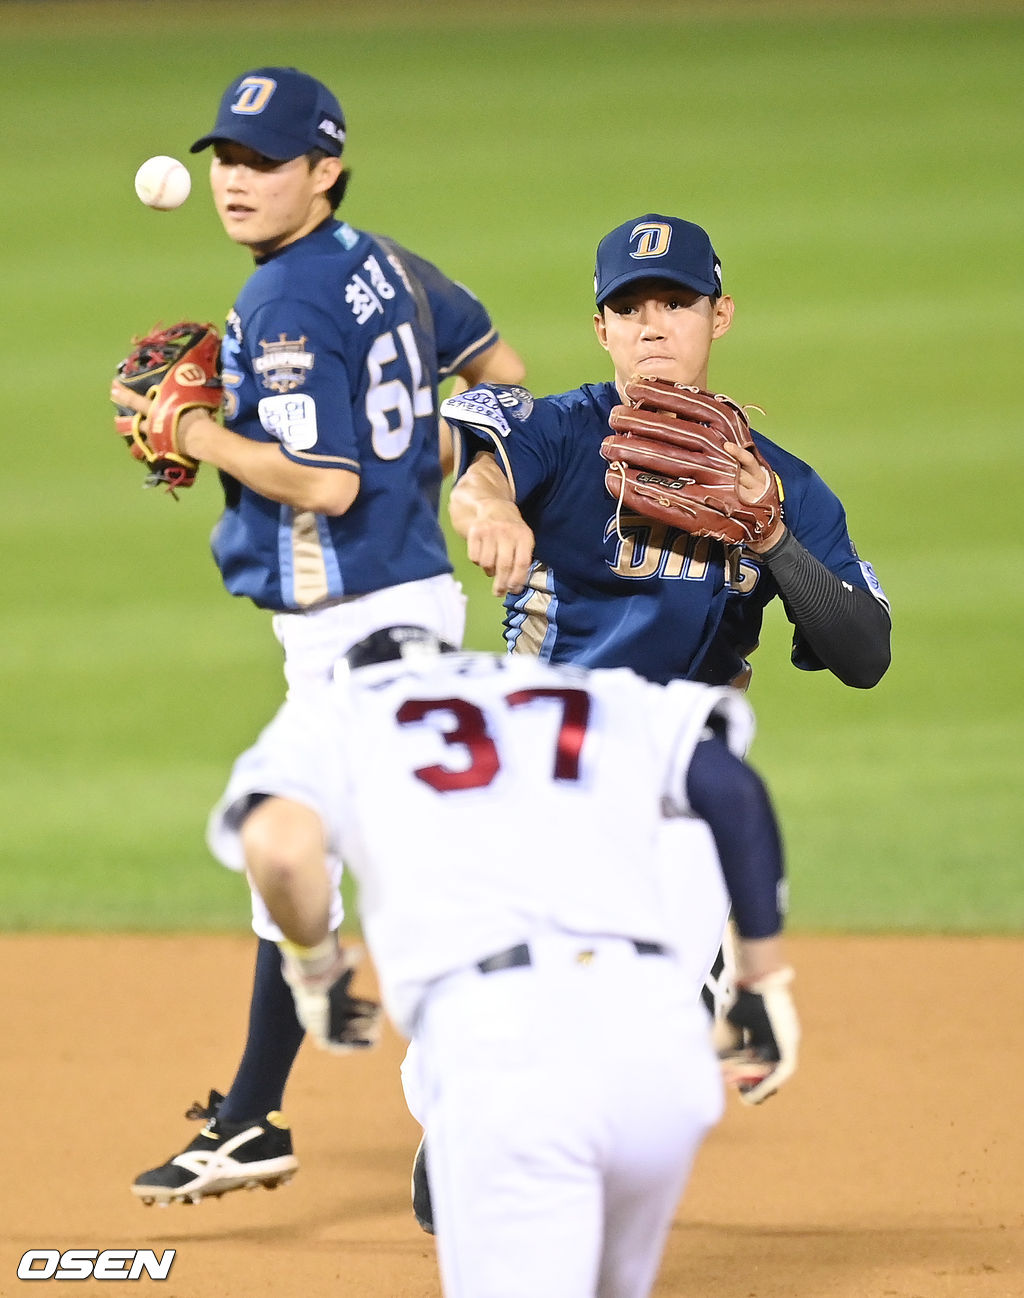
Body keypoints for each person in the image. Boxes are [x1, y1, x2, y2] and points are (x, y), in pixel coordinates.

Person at [111, 66, 525, 1207]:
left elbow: (323, 483)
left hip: (364, 635)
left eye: (264, 162)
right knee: (309, 868)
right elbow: (504, 376)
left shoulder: (283, 302)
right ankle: (253, 1116)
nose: (235, 184)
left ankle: (466, 1127)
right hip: (395, 613)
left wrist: (197, 428)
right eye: (225, 161)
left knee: (339, 863)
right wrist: (458, 469)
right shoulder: (388, 263)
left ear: (324, 170)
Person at [205, 624, 799, 1298]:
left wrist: (315, 970)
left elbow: (280, 850)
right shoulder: (587, 689)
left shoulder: (348, 708)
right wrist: (760, 976)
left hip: (512, 1046)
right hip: (662, 1045)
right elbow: (733, 788)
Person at [444, 212, 891, 694]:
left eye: (676, 304)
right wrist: (492, 509)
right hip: (560, 743)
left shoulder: (780, 483)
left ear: (720, 317)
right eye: (628, 310)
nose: (650, 328)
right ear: (602, 330)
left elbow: (865, 659)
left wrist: (773, 539)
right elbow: (482, 473)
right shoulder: (561, 431)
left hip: (690, 749)